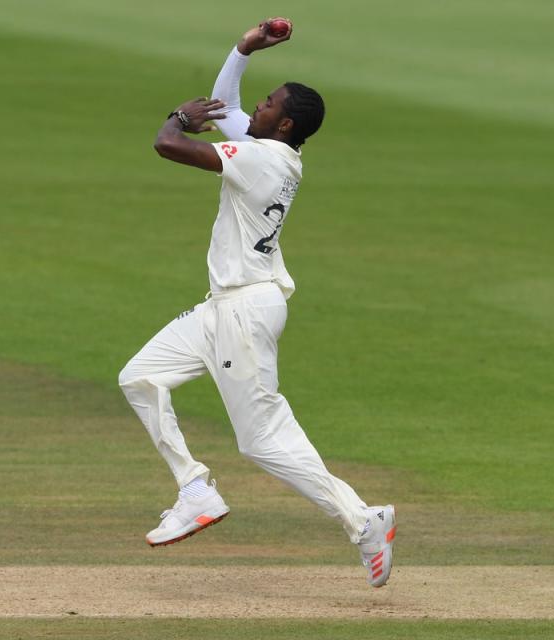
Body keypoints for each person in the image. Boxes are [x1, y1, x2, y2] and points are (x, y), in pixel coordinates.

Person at [117, 18, 396, 587]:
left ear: (284, 122)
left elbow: (169, 144)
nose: (257, 108)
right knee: (140, 378)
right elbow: (226, 106)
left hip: (244, 311)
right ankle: (194, 487)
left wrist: (178, 117)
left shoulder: (261, 160)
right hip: (225, 305)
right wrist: (243, 49)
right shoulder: (273, 149)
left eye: (268, 104)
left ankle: (362, 520)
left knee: (262, 438)